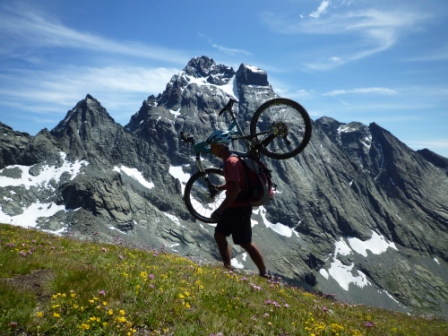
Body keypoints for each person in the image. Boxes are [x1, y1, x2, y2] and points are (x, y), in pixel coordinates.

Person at [206, 130, 270, 278]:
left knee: (245, 242)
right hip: (233, 207)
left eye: (213, 146)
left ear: (221, 146)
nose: (211, 149)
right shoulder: (231, 160)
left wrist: (221, 209)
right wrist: (220, 188)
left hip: (239, 208)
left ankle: (264, 272)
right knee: (219, 235)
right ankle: (228, 267)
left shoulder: (231, 162)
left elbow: (235, 188)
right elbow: (233, 183)